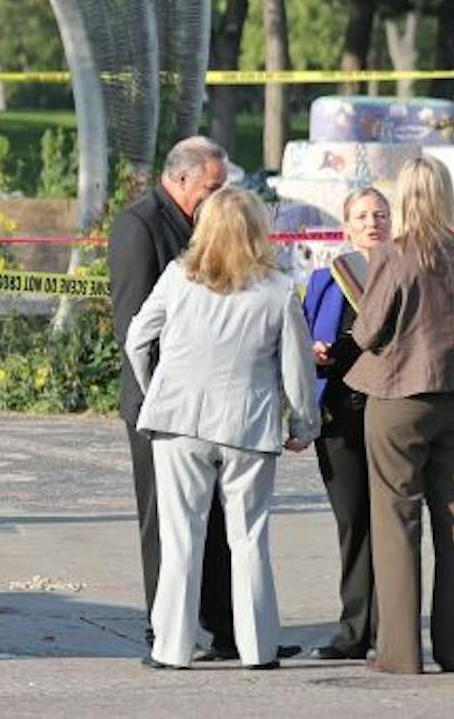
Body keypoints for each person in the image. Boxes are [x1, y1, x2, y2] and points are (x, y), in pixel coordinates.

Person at [126, 186, 318, 671]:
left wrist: (156, 388)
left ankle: (171, 648)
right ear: (258, 232)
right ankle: (258, 649)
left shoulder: (176, 278)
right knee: (250, 538)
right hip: (247, 424)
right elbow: (298, 367)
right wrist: (303, 421)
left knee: (180, 537)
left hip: (178, 420)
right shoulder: (277, 290)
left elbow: (136, 339)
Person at [345, 156, 454, 675]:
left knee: (396, 521)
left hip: (399, 398)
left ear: (405, 197)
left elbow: (367, 332)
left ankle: (400, 653)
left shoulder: (394, 256)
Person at [110, 136, 258, 659]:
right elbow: (134, 326)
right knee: (165, 523)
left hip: (215, 402)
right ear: (179, 180)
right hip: (162, 402)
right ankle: (164, 628)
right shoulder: (139, 226)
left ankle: (227, 629)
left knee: (219, 519)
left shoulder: (212, 221)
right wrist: (162, 393)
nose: (220, 198)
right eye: (212, 187)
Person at [299, 186, 390, 661]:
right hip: (338, 412)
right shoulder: (325, 280)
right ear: (347, 226)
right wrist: (311, 351)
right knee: (353, 522)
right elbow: (300, 334)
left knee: (392, 522)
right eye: (362, 216)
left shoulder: (404, 273)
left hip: (392, 411)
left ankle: (391, 625)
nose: (372, 222)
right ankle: (355, 629)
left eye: (379, 214)